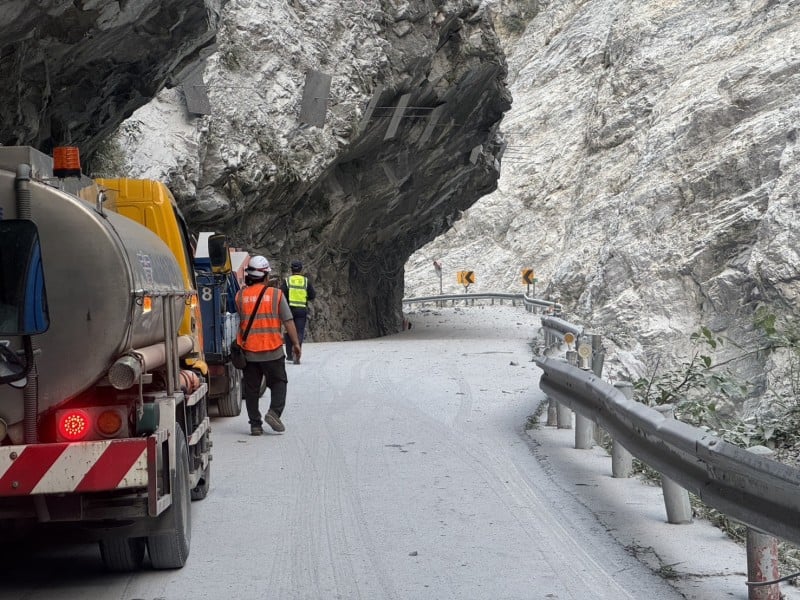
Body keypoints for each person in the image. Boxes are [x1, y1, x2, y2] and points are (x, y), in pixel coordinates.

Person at [235, 255, 302, 436]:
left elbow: (239, 319)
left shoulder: (240, 296)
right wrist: (296, 344)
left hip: (249, 352)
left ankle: (255, 425)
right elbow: (288, 321)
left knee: (251, 390)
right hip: (273, 351)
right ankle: (274, 412)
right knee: (279, 383)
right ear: (265, 275)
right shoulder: (276, 295)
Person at [281, 259, 316, 364]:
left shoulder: (287, 281)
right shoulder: (305, 281)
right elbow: (312, 295)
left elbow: (281, 294)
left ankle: (289, 355)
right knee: (299, 332)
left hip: (289, 310)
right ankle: (297, 354)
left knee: (288, 331)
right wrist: (304, 298)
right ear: (301, 269)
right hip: (301, 310)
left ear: (291, 269)